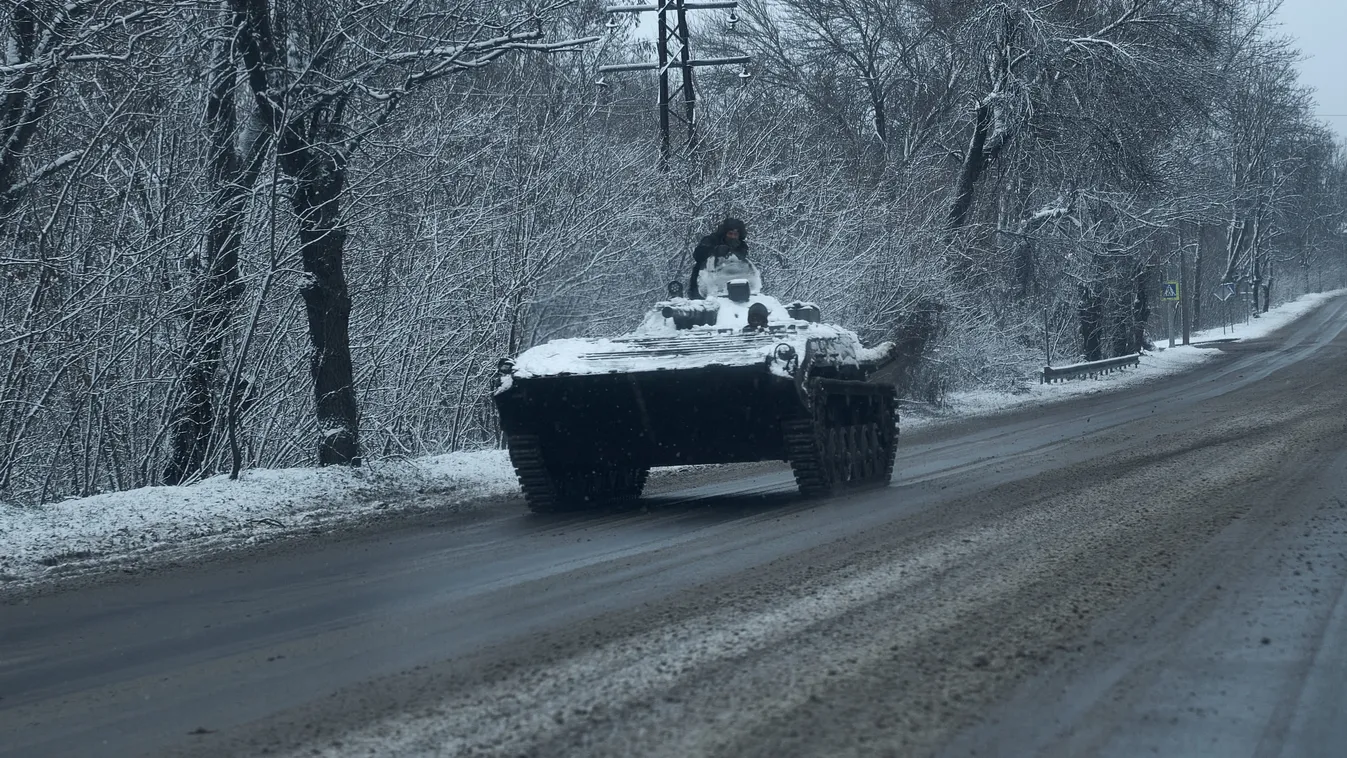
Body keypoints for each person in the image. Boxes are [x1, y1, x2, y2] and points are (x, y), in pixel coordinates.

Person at [688, 217, 749, 299]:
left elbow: (743, 260)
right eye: (730, 233)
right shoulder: (711, 240)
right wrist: (714, 251)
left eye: (735, 234)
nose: (732, 237)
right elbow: (697, 255)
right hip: (705, 283)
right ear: (724, 233)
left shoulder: (741, 246)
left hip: (734, 284)